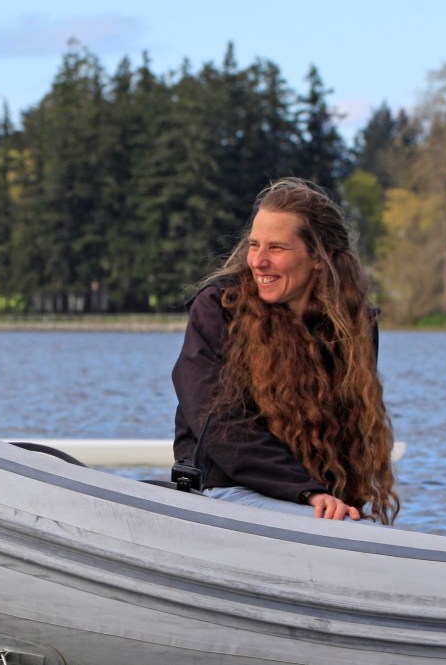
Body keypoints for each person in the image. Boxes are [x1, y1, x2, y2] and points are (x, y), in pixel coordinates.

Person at [171, 178, 399, 524]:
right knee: (351, 532)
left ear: (320, 258)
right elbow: (222, 426)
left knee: (363, 530)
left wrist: (327, 498)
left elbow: (350, 434)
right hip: (222, 490)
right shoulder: (219, 308)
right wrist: (306, 492)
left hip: (314, 500)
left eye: (276, 248)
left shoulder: (354, 326)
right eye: (254, 245)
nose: (258, 262)